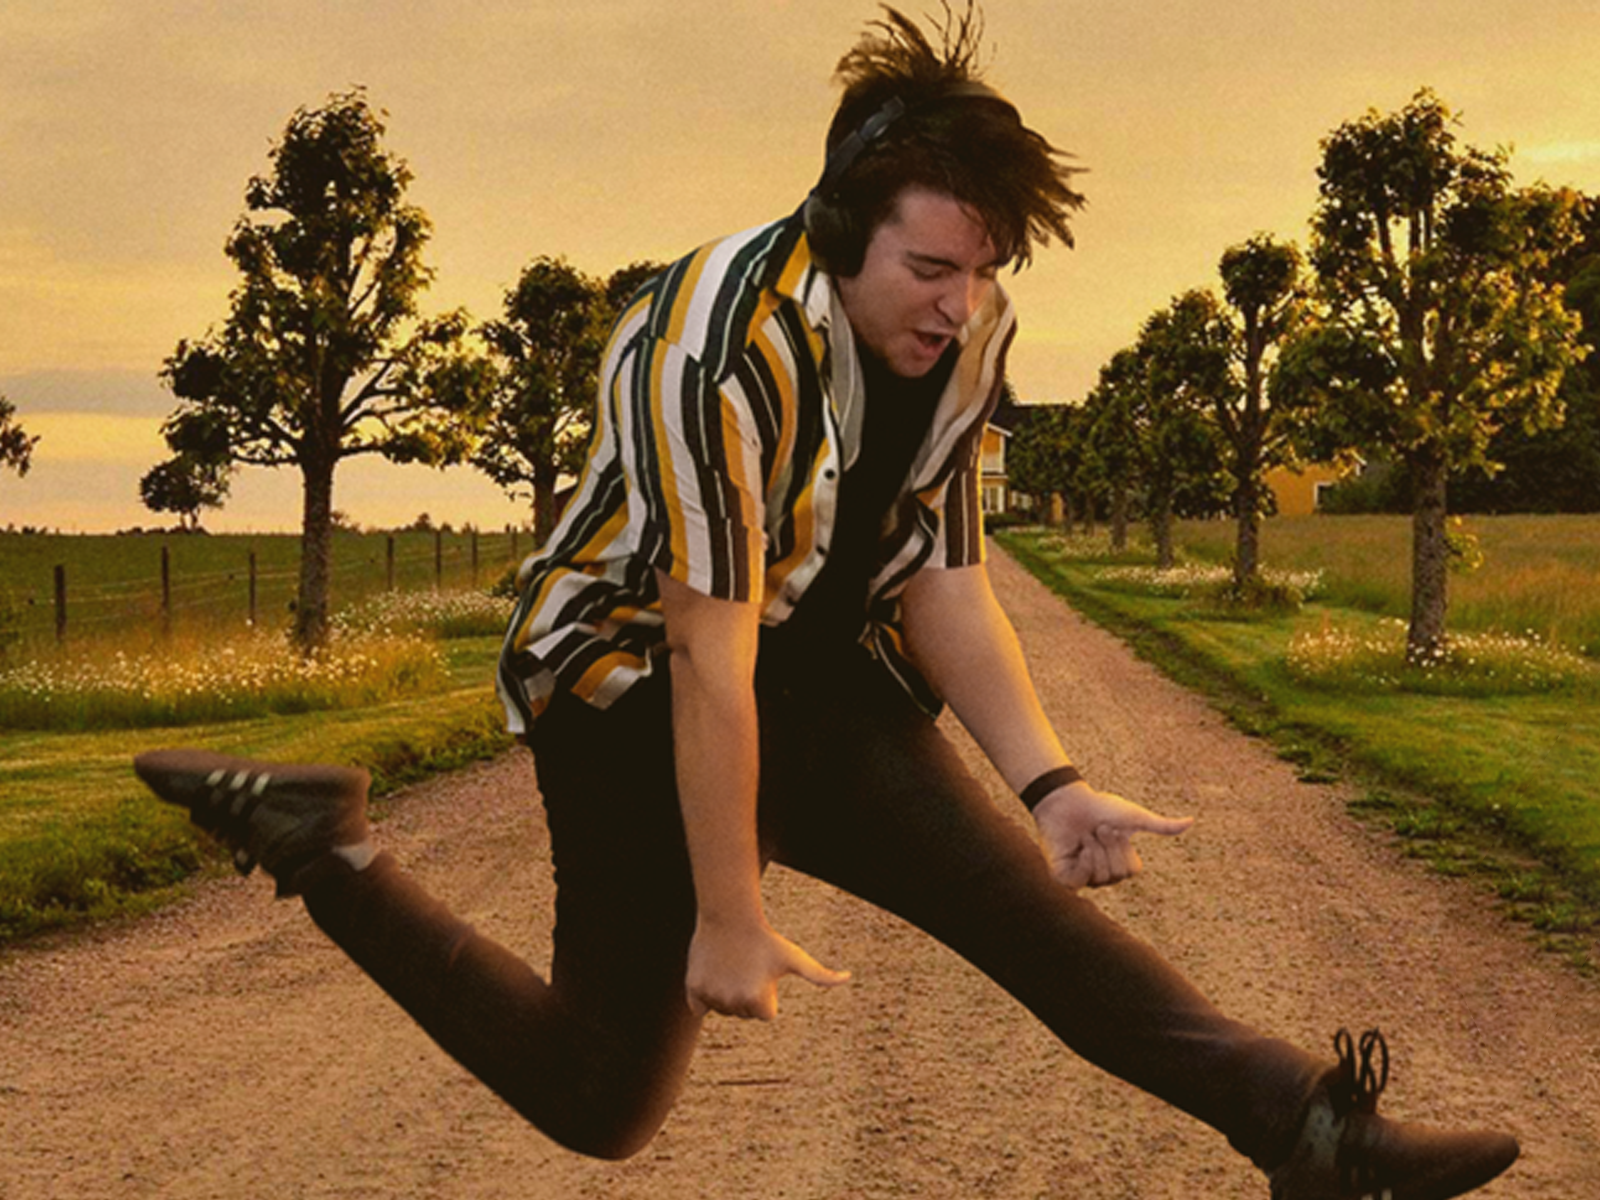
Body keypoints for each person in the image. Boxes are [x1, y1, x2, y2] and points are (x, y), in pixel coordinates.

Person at [133, 6, 1520, 1197]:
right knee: (600, 1103)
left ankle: (1316, 1136)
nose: (960, 305)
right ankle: (325, 848)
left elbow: (943, 571)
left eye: (983, 273)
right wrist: (729, 907)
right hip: (625, 689)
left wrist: (1051, 785)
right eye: (930, 271)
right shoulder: (712, 345)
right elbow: (706, 654)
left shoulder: (968, 335)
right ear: (842, 232)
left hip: (816, 670)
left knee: (1035, 927)